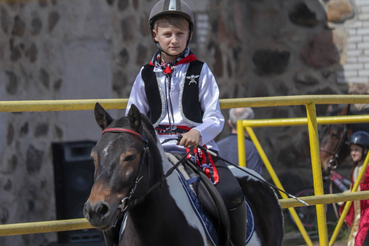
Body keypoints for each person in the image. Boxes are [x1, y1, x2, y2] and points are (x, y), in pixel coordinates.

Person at [125, 1, 247, 245]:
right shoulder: (145, 75)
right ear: (155, 35)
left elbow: (215, 117)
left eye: (180, 34)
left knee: (231, 194)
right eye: (167, 34)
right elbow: (133, 117)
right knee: (120, 197)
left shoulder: (201, 71)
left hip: (198, 152)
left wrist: (198, 133)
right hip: (157, 154)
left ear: (189, 34)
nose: (174, 40)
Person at [341, 131, 369, 246]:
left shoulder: (367, 168)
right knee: (354, 238)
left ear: (365, 150)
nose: (353, 153)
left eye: (356, 150)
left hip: (367, 211)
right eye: (352, 150)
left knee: (361, 238)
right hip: (359, 211)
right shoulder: (357, 167)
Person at [217, 107, 264, 176]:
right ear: (251, 123)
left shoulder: (217, 146)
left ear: (229, 123)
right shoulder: (252, 148)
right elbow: (256, 179)